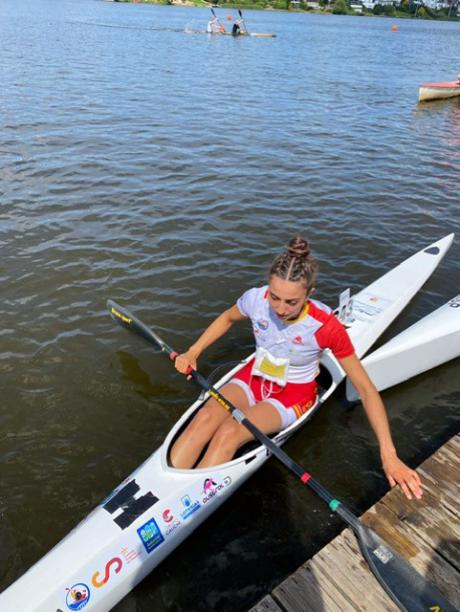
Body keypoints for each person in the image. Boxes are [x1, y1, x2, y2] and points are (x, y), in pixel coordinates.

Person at [171, 236, 423, 501]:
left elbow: (366, 389)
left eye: (291, 302)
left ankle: (189, 504)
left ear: (309, 293)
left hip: (294, 394)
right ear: (268, 287)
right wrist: (193, 351)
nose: (280, 309)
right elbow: (227, 317)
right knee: (204, 417)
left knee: (228, 433)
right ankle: (168, 487)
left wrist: (389, 455)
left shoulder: (326, 327)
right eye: (275, 298)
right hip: (254, 377)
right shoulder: (256, 299)